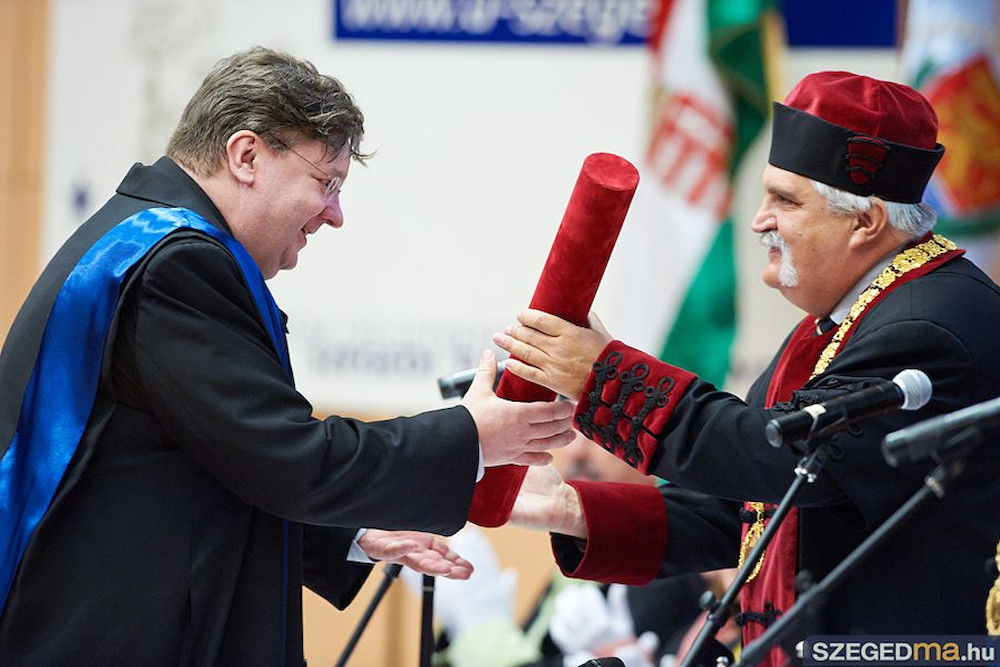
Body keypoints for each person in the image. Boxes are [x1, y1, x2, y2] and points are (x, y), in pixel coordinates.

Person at [0, 47, 575, 666]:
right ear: (246, 156)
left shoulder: (139, 239)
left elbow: (201, 473)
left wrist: (349, 532)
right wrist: (471, 436)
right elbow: (287, 458)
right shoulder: (177, 264)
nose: (336, 214)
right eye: (325, 183)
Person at [493, 71, 1000, 663]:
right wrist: (574, 509)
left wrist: (606, 378)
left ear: (865, 221)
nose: (759, 220)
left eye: (785, 200)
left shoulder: (927, 324)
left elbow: (779, 460)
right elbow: (751, 508)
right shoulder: (850, 315)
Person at [405, 433, 710, 667]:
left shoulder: (665, 569)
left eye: (598, 434)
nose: (577, 451)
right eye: (569, 431)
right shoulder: (572, 557)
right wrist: (461, 625)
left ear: (651, 458)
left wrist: (483, 629)